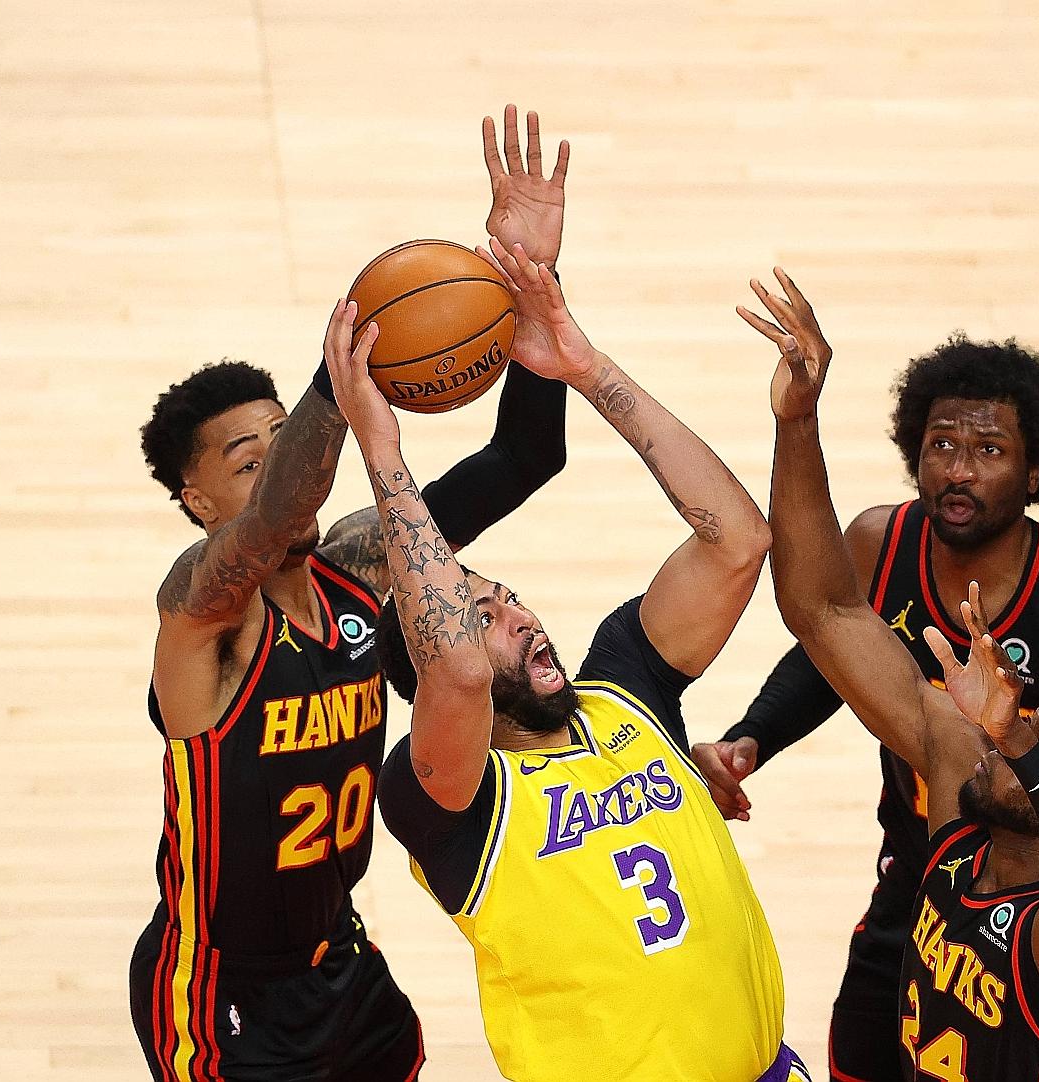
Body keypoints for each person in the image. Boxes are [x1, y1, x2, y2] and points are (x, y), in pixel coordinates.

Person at [128, 106, 570, 1082]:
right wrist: (341, 379)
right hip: (218, 987)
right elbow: (285, 502)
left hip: (343, 958)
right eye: (252, 459)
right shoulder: (200, 614)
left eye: (287, 432)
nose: (283, 461)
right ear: (198, 499)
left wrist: (528, 290)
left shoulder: (362, 564)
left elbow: (528, 454)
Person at [331, 236, 808, 1082]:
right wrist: (384, 458)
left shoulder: (625, 688)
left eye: (509, 592)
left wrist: (584, 367)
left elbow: (738, 541)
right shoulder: (441, 794)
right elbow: (460, 671)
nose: (517, 613)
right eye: (483, 612)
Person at [694, 298, 1039, 1081]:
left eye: (989, 449)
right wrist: (797, 422)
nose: (959, 469)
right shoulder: (958, 803)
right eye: (942, 446)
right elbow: (823, 618)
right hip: (940, 868)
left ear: (1035, 470)